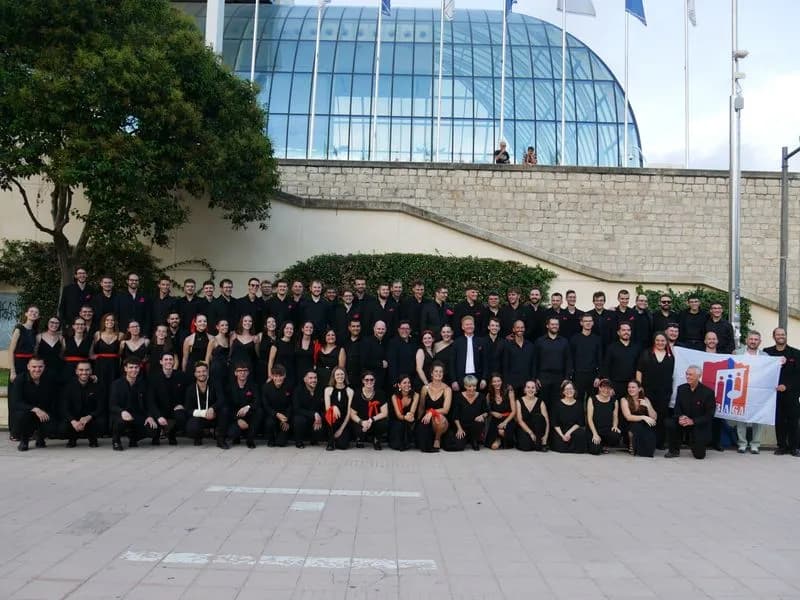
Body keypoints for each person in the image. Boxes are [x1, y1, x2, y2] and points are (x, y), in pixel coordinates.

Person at [109, 359, 162, 451]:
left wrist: (149, 416)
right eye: (131, 367)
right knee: (120, 421)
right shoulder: (116, 384)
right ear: (125, 369)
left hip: (137, 415)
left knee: (154, 429)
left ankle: (134, 438)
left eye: (136, 367)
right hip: (121, 415)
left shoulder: (143, 384)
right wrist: (122, 411)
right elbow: (112, 405)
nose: (134, 370)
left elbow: (149, 403)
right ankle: (116, 441)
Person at [665, 366, 715, 459]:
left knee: (699, 456)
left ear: (698, 376)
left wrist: (693, 421)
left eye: (690, 374)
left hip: (698, 424)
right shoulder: (681, 389)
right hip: (683, 421)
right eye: (687, 374)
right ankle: (674, 450)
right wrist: (680, 417)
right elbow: (677, 407)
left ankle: (694, 444)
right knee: (670, 423)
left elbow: (709, 415)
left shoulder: (708, 393)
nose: (688, 376)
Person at [764, 328, 800, 456]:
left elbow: (798, 375)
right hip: (774, 394)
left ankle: (795, 447)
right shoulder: (767, 353)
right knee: (779, 421)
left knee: (793, 421)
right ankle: (781, 446)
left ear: (786, 336)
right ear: (773, 337)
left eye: (783, 334)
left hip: (792, 393)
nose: (781, 336)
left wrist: (787, 386)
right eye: (778, 334)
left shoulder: (796, 353)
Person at [636, 332, 674, 450]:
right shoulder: (646, 353)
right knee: (648, 414)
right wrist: (640, 387)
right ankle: (648, 441)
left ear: (666, 342)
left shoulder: (671, 355)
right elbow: (639, 371)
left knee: (662, 416)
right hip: (648, 389)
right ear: (654, 341)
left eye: (663, 341)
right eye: (658, 340)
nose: (660, 343)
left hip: (665, 391)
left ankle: (660, 442)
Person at [10, 357, 54, 451]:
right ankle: (24, 441)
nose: (37, 369)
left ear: (44, 367)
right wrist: (35, 409)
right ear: (28, 367)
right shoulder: (20, 379)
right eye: (34, 366)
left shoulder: (49, 378)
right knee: (23, 415)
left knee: (55, 424)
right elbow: (16, 402)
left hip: (43, 411)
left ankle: (40, 438)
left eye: (40, 367)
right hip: (27, 412)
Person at [732, 330, 765, 454]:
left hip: (758, 391)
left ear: (760, 342)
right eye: (751, 339)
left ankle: (755, 444)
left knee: (758, 417)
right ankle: (742, 443)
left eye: (756, 339)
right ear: (746, 340)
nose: (753, 341)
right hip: (742, 389)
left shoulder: (765, 356)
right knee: (741, 416)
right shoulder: (737, 353)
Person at [184, 361, 229, 449]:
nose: (202, 374)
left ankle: (220, 439)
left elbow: (222, 399)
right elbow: (188, 409)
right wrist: (204, 413)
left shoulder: (215, 384)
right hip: (200, 417)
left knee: (224, 410)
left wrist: (212, 409)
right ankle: (198, 437)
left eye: (204, 371)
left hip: (214, 416)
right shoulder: (190, 389)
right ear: (195, 374)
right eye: (199, 372)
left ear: (207, 372)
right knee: (191, 427)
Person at [60, 360, 104, 447]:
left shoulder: (97, 386)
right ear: (76, 371)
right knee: (62, 428)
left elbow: (101, 406)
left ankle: (92, 438)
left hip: (90, 418)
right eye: (81, 370)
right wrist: (73, 421)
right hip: (74, 418)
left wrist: (89, 416)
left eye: (87, 370)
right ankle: (72, 438)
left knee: (102, 422)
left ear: (91, 371)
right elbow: (64, 407)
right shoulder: (68, 386)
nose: (84, 372)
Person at [533, 317, 573, 412]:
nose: (554, 326)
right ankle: (544, 426)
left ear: (559, 327)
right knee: (543, 404)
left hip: (559, 378)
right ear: (547, 326)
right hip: (543, 377)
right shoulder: (539, 341)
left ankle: (555, 426)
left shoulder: (564, 341)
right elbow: (535, 361)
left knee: (557, 404)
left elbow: (568, 361)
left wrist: (567, 378)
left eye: (556, 324)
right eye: (552, 324)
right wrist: (535, 377)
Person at [147, 352, 188, 445]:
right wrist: (158, 416)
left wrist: (183, 405)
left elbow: (187, 394)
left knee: (182, 417)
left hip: (175, 408)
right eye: (166, 359)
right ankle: (156, 434)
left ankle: (171, 433)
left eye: (170, 359)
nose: (168, 362)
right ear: (161, 362)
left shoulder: (181, 376)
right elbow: (150, 401)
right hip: (159, 409)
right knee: (150, 428)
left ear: (173, 362)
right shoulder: (153, 378)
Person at [600, 323, 640, 403]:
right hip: (615, 385)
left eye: (628, 330)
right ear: (618, 332)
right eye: (623, 330)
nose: (626, 332)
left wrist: (638, 385)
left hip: (631, 386)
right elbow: (606, 367)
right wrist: (609, 387)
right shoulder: (611, 348)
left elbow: (639, 367)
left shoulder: (636, 347)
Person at [416, 362, 451, 452]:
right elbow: (421, 407)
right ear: (431, 373)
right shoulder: (425, 388)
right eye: (436, 371)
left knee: (439, 418)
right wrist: (418, 421)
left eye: (441, 372)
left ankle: (437, 439)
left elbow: (446, 410)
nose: (438, 374)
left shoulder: (447, 389)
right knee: (422, 443)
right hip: (426, 418)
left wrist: (432, 412)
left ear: (443, 374)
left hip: (440, 419)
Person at [447, 375, 487, 451]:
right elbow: (455, 416)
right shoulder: (458, 397)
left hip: (475, 427)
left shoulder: (481, 396)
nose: (472, 388)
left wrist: (482, 416)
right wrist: (459, 429)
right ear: (465, 386)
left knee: (479, 422)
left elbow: (486, 411)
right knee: (458, 447)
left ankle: (474, 440)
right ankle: (465, 439)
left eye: (474, 386)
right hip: (462, 427)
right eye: (469, 386)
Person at [350, 370, 388, 450]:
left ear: (374, 381)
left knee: (383, 423)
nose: (369, 382)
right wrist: (362, 422)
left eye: (372, 379)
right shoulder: (357, 393)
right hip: (361, 421)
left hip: (374, 421)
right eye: (367, 380)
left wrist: (371, 420)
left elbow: (385, 413)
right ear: (363, 381)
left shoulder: (380, 393)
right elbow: (352, 414)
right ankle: (360, 438)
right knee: (357, 428)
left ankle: (376, 439)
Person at [619, 380, 657, 457]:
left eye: (633, 387)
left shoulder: (645, 399)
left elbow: (654, 417)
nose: (630, 389)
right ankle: (632, 445)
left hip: (642, 423)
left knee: (648, 431)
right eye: (629, 387)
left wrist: (648, 406)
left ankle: (645, 448)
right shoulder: (624, 399)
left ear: (639, 389)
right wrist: (644, 417)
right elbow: (628, 417)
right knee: (637, 426)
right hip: (629, 423)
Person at [450, 316, 488, 392]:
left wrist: (484, 378)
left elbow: (485, 362)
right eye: (467, 324)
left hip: (477, 377)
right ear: (462, 327)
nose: (469, 326)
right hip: (461, 378)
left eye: (471, 324)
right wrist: (453, 380)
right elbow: (452, 363)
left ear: (474, 326)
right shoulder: (457, 342)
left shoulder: (481, 341)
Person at [570, 314, 602, 405]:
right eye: (585, 321)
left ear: (593, 323)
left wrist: (598, 376)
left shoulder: (597, 339)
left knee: (593, 401)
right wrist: (571, 375)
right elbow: (570, 358)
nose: (588, 323)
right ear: (581, 323)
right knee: (577, 400)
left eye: (590, 321)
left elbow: (600, 359)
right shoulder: (574, 339)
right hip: (578, 375)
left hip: (593, 375)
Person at [228, 363, 261, 448]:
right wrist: (238, 419)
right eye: (240, 371)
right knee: (232, 433)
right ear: (235, 373)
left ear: (248, 373)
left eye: (245, 370)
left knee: (259, 411)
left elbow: (257, 402)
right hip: (235, 416)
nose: (242, 373)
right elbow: (228, 406)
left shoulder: (253, 386)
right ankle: (236, 436)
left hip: (249, 415)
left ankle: (250, 439)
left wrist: (248, 407)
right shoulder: (230, 387)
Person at [550, 381, 588, 453]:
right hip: (560, 431)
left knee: (581, 434)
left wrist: (568, 433)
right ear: (563, 392)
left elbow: (579, 422)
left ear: (574, 391)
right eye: (566, 389)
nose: (569, 391)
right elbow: (555, 423)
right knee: (559, 444)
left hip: (573, 430)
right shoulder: (557, 404)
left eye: (571, 389)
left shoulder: (579, 404)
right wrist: (562, 435)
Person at [586, 380, 621, 455]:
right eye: (603, 387)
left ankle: (604, 444)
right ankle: (598, 445)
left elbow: (615, 416)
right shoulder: (592, 399)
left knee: (616, 435)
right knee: (595, 451)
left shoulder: (614, 401)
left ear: (611, 389)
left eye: (608, 388)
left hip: (607, 429)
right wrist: (595, 434)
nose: (606, 390)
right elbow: (589, 419)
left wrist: (615, 426)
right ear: (599, 388)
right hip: (594, 429)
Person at [262, 364, 293, 447]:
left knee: (281, 443)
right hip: (272, 415)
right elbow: (266, 405)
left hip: (285, 416)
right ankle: (271, 439)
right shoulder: (266, 387)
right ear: (272, 376)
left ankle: (282, 435)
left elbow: (291, 404)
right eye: (275, 376)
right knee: (269, 423)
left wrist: (286, 419)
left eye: (281, 376)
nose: (278, 378)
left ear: (285, 375)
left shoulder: (289, 386)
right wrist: (276, 414)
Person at [323, 366, 353, 451]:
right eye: (337, 374)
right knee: (330, 414)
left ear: (345, 376)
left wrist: (341, 429)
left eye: (342, 374)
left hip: (344, 422)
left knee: (343, 446)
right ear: (334, 376)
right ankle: (330, 441)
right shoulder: (328, 390)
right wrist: (334, 407)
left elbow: (348, 413)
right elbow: (327, 409)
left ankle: (338, 437)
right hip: (332, 421)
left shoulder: (349, 391)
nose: (340, 376)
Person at [292, 370, 324, 448]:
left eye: (315, 378)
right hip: (303, 417)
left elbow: (323, 407)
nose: (313, 380)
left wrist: (320, 416)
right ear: (305, 380)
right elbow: (296, 409)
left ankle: (314, 439)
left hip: (316, 419)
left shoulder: (321, 390)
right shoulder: (298, 390)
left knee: (323, 422)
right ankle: (299, 441)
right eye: (310, 378)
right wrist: (313, 414)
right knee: (299, 420)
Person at [484, 373, 516, 450]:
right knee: (492, 446)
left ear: (502, 381)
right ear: (491, 383)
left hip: (508, 419)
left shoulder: (509, 392)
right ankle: (498, 439)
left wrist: (505, 422)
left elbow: (514, 411)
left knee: (502, 432)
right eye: (494, 381)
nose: (497, 383)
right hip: (495, 420)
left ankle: (501, 439)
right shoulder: (489, 395)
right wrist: (492, 412)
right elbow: (487, 410)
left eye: (499, 381)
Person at [515, 380, 549, 452]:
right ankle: (534, 442)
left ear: (536, 390)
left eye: (533, 388)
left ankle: (539, 442)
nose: (530, 390)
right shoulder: (518, 401)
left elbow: (546, 421)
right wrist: (530, 433)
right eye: (528, 387)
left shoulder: (541, 402)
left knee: (538, 417)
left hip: (538, 430)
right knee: (525, 447)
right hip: (524, 428)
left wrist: (545, 437)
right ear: (524, 389)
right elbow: (519, 420)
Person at [388, 375, 419, 450]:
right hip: (397, 420)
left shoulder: (415, 395)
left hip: (409, 419)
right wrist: (405, 417)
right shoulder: (394, 396)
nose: (407, 385)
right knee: (399, 425)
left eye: (408, 382)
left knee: (408, 423)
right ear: (399, 385)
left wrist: (410, 415)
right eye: (404, 383)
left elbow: (412, 412)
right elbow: (398, 415)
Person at [116, 272, 151, 337]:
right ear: (127, 281)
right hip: (124, 333)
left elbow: (148, 317)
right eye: (132, 280)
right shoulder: (120, 297)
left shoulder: (144, 297)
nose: (134, 282)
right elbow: (117, 315)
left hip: (140, 333)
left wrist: (145, 333)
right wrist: (119, 331)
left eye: (136, 280)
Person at [360, 320, 389, 391]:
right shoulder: (367, 342)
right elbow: (364, 361)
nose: (380, 331)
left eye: (382, 329)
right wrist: (380, 364)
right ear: (374, 329)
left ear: (385, 330)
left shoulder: (386, 342)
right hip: (371, 380)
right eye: (378, 329)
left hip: (384, 380)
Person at [62, 316, 93, 383]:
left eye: (82, 324)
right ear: (73, 326)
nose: (80, 326)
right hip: (68, 369)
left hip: (83, 370)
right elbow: (61, 354)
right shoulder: (66, 339)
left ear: (85, 327)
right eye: (77, 324)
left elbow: (91, 356)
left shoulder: (90, 340)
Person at [36, 315, 64, 383]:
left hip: (58, 370)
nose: (54, 325)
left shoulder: (61, 338)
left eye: (57, 323)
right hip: (43, 370)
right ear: (47, 323)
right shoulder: (39, 336)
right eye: (52, 322)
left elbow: (62, 353)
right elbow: (35, 353)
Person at [268, 321, 297, 387]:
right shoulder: (276, 343)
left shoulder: (294, 344)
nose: (289, 330)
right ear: (283, 329)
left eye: (291, 329)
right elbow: (271, 361)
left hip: (291, 375)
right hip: (278, 375)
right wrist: (270, 376)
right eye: (287, 328)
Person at [387, 321, 415, 387]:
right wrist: (394, 380)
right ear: (398, 330)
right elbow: (392, 363)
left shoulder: (413, 342)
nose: (405, 331)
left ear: (410, 330)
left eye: (407, 329)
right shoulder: (393, 343)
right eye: (402, 328)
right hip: (399, 379)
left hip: (411, 378)